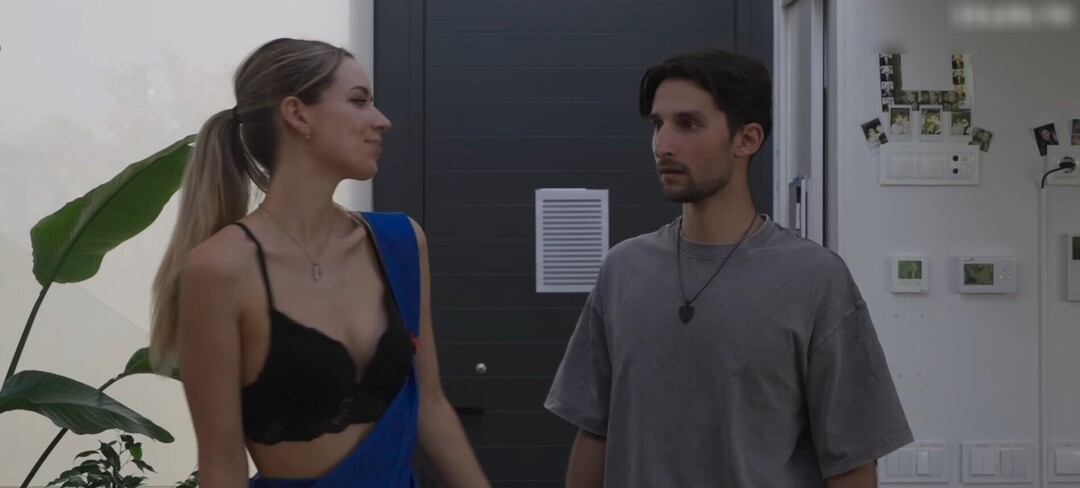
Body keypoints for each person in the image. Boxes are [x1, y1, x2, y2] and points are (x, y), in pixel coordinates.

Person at [544, 48, 912, 487]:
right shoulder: (622, 270)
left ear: (747, 139)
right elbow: (595, 432)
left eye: (688, 124)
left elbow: (852, 463)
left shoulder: (815, 279)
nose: (662, 145)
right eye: (658, 125)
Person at [148, 38, 490, 488]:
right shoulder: (220, 269)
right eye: (359, 101)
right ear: (298, 114)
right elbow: (222, 464)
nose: (382, 120)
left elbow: (431, 407)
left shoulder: (402, 243)